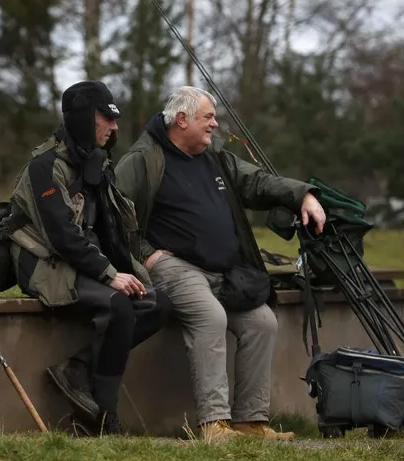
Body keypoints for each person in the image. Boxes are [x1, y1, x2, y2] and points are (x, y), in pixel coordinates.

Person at [113, 86, 326, 442]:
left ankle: (250, 422)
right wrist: (146, 252)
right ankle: (214, 425)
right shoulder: (143, 159)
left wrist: (302, 195)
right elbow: (113, 213)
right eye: (208, 117)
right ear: (182, 120)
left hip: (224, 272)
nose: (215, 124)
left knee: (262, 323)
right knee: (211, 317)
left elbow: (257, 182)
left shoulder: (214, 158)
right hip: (174, 267)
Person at [5, 81, 172, 436]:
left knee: (157, 304)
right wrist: (110, 275)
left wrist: (127, 268)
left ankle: (77, 368)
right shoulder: (45, 167)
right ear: (83, 119)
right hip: (42, 263)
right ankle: (104, 418)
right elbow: (62, 236)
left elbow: (110, 229)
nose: (114, 127)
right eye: (106, 119)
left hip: (83, 264)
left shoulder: (96, 164)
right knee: (119, 305)